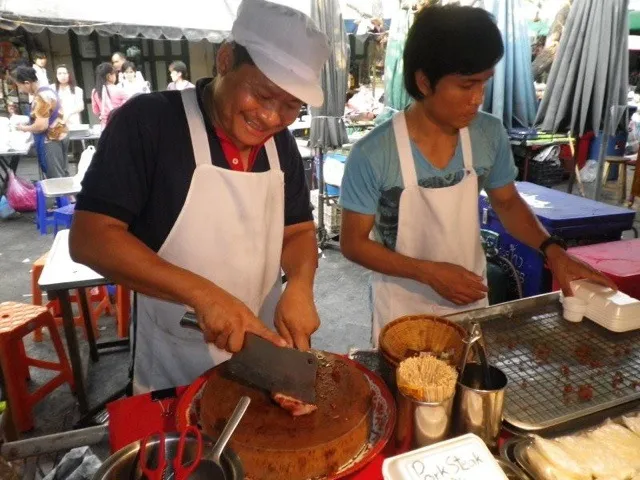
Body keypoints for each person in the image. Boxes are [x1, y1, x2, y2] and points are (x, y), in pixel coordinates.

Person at [69, 0, 330, 393]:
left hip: (262, 350)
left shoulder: (281, 147)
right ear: (225, 60)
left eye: (291, 105)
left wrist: (300, 284)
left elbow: (296, 231)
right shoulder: (149, 123)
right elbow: (91, 238)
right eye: (261, 95)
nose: (273, 118)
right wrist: (203, 295)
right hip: (174, 360)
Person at [338, 5, 617, 345]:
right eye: (466, 84)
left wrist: (553, 251)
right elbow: (353, 243)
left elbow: (508, 203)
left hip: (470, 298)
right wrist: (428, 272)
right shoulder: (373, 153)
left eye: (484, 83)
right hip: (402, 307)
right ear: (424, 81)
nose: (477, 99)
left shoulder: (488, 134)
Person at [10, 65, 69, 178]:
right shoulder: (48, 90)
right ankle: (68, 195)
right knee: (63, 173)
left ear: (27, 83)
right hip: (61, 133)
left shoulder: (40, 97)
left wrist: (23, 128)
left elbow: (41, 126)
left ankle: (62, 196)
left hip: (51, 140)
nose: (21, 90)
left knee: (56, 178)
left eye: (19, 86)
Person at [91, 62, 128, 128]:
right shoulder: (118, 89)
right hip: (119, 125)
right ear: (109, 76)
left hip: (105, 126)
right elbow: (130, 104)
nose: (115, 76)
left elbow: (96, 111)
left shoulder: (95, 91)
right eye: (114, 74)